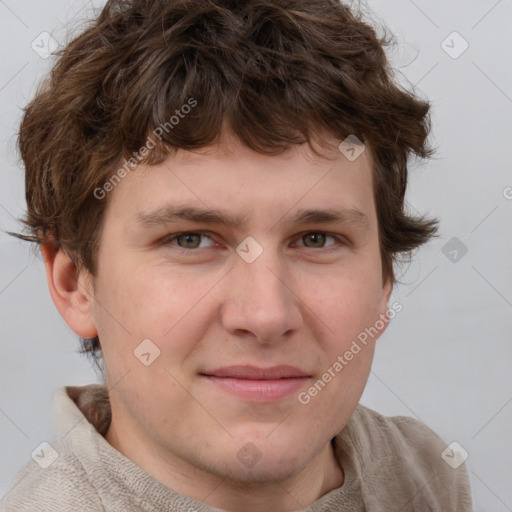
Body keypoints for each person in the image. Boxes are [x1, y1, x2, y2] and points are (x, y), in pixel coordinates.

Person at [1, 0, 472, 510]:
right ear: (76, 284)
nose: (266, 315)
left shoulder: (425, 474)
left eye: (316, 238)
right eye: (191, 240)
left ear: (384, 282)